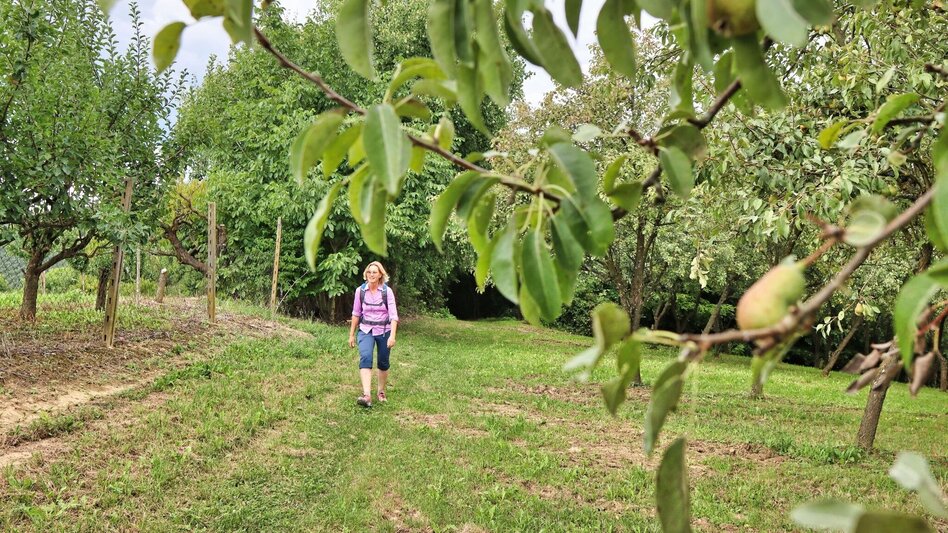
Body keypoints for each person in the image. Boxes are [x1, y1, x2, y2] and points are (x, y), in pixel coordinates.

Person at [348, 261, 398, 407]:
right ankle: (367, 395)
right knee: (366, 357)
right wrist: (351, 335)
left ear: (380, 274)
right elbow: (356, 314)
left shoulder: (386, 292)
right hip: (365, 330)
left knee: (383, 362)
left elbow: (393, 315)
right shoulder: (360, 291)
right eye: (369, 272)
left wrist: (392, 336)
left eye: (375, 272)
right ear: (366, 274)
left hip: (384, 331)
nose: (371, 275)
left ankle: (381, 391)